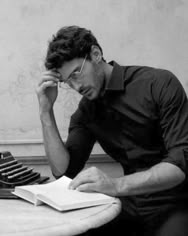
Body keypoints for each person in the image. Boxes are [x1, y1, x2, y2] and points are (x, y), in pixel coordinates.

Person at [36, 25, 188, 236]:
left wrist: (115, 185)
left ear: (96, 54)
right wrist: (46, 111)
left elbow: (180, 163)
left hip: (175, 205)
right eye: (67, 81)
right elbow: (64, 171)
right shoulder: (86, 111)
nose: (76, 87)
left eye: (77, 73)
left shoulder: (158, 83)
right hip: (126, 209)